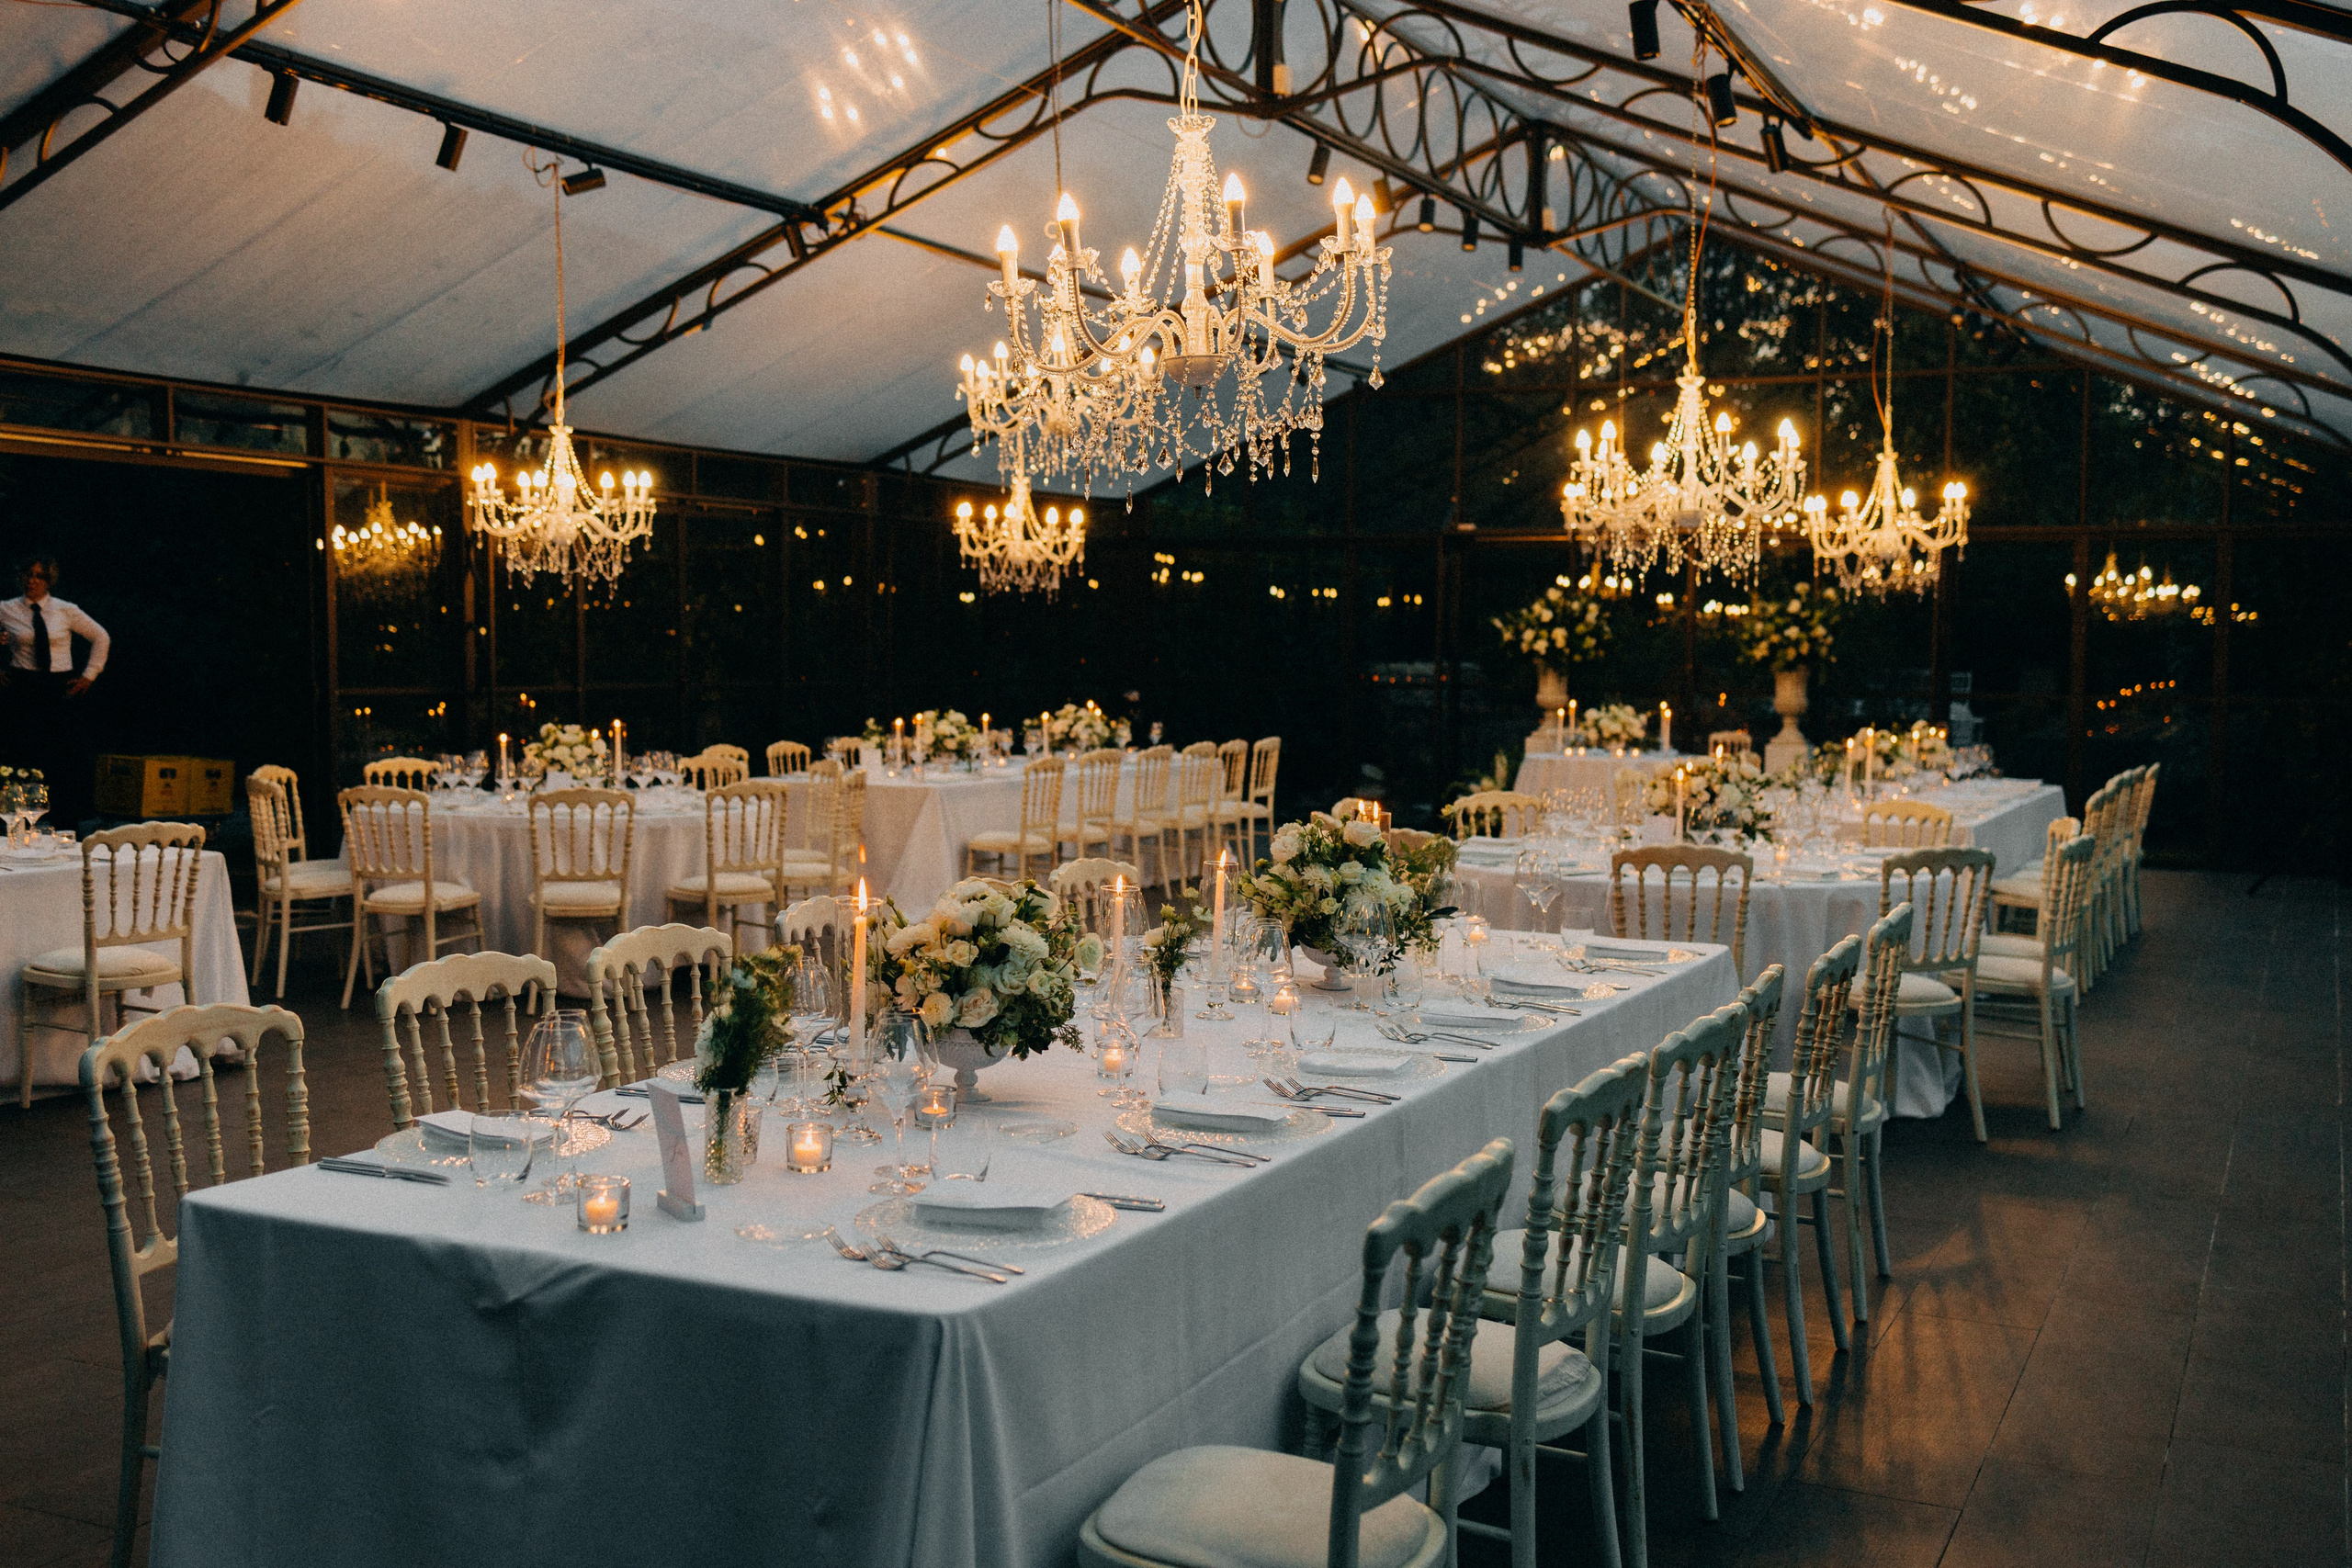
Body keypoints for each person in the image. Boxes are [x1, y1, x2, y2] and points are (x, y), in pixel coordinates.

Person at [0, 556, 109, 826]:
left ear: (49, 581)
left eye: (39, 576)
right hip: (23, 685)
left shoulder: (65, 610)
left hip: (59, 686)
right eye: (28, 574)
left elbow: (100, 637)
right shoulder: (7, 608)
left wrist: (89, 676)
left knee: (62, 754)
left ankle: (65, 821)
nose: (32, 581)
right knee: (22, 753)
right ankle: (19, 822)